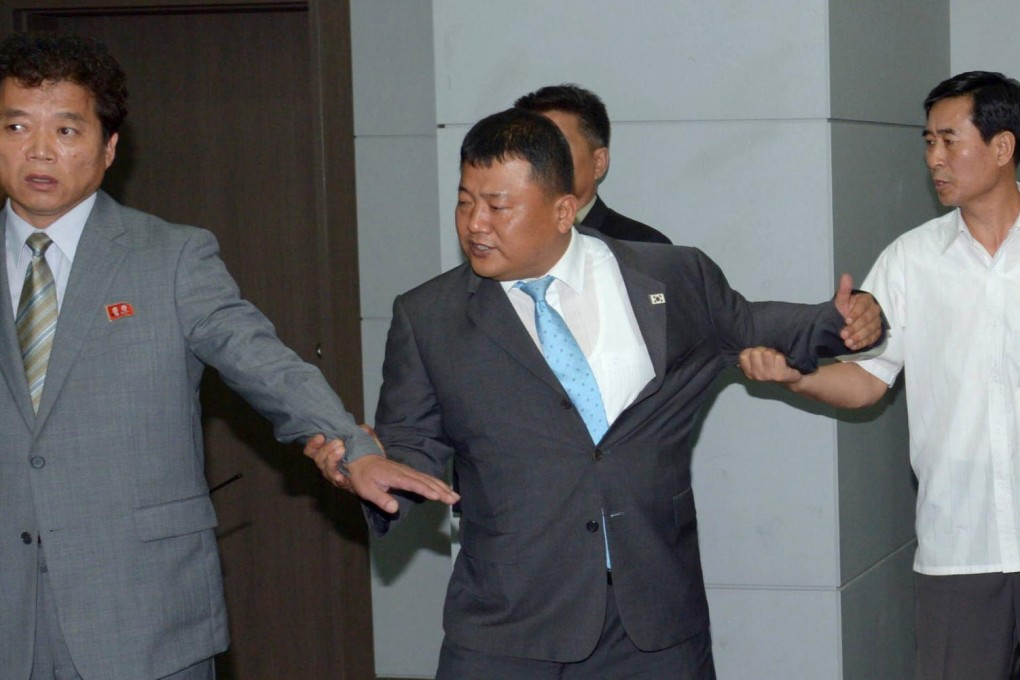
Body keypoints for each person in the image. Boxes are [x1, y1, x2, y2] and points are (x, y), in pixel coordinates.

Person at [306, 106, 883, 678]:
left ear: (562, 211)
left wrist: (851, 322)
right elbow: (411, 445)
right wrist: (366, 468)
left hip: (655, 619)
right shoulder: (428, 316)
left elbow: (759, 323)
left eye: (498, 206)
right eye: (465, 201)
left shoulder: (672, 276)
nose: (474, 224)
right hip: (508, 625)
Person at [0, 32, 456, 680]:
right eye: (17, 125)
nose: (39, 149)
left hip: (142, 617)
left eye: (66, 130)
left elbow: (261, 359)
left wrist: (352, 449)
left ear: (107, 150)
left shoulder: (171, 257)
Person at [738, 71, 1020, 680]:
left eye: (949, 141)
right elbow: (867, 383)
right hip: (960, 547)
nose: (933, 159)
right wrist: (796, 376)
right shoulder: (910, 260)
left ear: (1002, 147)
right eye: (927, 143)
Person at [515, 83, 672, 244]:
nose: (541, 158)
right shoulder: (499, 239)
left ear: (599, 163)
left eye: (558, 145)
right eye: (530, 146)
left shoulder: (642, 246)